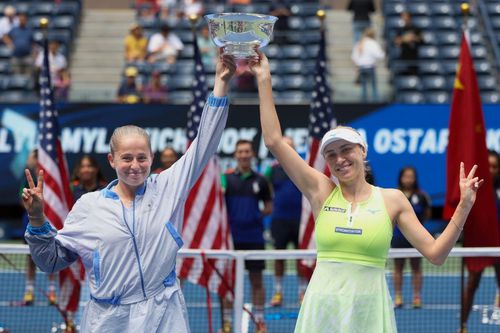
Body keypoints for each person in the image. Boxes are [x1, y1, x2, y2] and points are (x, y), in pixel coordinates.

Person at [248, 50, 483, 333]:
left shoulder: (391, 199)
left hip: (369, 315)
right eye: (331, 154)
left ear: (362, 151)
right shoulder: (321, 191)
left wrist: (464, 206)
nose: (339, 159)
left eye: (346, 149)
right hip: (322, 313)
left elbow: (436, 254)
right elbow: (274, 140)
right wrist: (264, 79)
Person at [21, 53, 236, 332]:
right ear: (111, 160)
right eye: (126, 158)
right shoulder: (89, 206)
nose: (135, 166)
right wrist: (37, 219)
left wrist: (221, 83)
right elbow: (49, 261)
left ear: (151, 157)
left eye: (142, 158)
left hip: (164, 314)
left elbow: (205, 142)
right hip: (108, 320)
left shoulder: (168, 186)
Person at [222, 139, 272, 333]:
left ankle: (259, 322)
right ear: (235, 155)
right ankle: (226, 324)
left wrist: (253, 215)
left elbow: (269, 207)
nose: (243, 155)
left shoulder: (261, 180)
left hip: (254, 238)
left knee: (257, 281)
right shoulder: (225, 178)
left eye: (247, 151)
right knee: (227, 283)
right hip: (230, 240)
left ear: (252, 154)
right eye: (240, 151)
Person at [459, 150, 500, 333]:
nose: (491, 170)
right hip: (479, 244)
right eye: (488, 166)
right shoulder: (474, 191)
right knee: (471, 284)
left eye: (495, 167)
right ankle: (462, 326)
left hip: (498, 246)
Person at [264, 137, 307, 307]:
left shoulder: (303, 167)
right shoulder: (271, 170)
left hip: (299, 221)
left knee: (301, 258)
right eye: (284, 147)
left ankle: (303, 292)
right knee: (278, 257)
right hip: (279, 220)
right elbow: (265, 190)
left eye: (290, 147)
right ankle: (278, 292)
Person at [18, 149, 57, 306]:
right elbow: (21, 198)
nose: (30, 160)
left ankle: (52, 290)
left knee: (51, 254)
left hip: (50, 220)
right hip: (29, 219)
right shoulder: (27, 177)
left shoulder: (52, 175)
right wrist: (33, 208)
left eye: (33, 157)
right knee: (30, 257)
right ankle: (29, 290)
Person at [391, 166, 431, 309]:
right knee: (398, 268)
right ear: (401, 178)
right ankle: (398, 297)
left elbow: (427, 214)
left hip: (416, 240)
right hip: (398, 238)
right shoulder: (394, 195)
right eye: (406, 176)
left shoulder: (421, 196)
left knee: (416, 268)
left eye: (411, 176)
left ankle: (416, 297)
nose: (408, 179)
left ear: (415, 179)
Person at [351, 27, 385, 102]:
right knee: (374, 88)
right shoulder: (373, 43)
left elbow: (354, 56)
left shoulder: (359, 43)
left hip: (362, 68)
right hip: (370, 67)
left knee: (364, 89)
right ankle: (375, 104)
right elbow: (380, 55)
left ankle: (364, 104)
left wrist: (358, 64)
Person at [394, 11, 422, 76]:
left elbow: (421, 40)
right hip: (403, 57)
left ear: (410, 18)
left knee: (414, 76)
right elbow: (397, 42)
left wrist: (413, 38)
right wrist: (405, 39)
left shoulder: (416, 28)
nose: (404, 18)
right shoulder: (400, 29)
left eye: (405, 16)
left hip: (414, 57)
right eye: (403, 17)